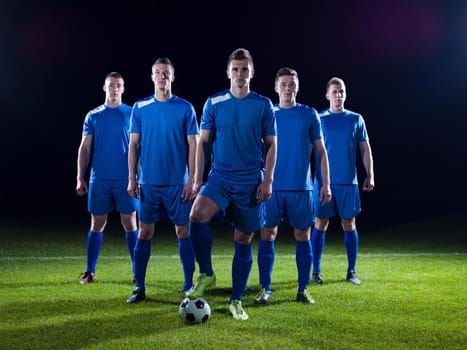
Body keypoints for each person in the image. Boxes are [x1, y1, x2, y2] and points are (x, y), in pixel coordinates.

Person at [186, 48, 277, 320]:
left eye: (244, 69)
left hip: (251, 180)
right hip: (220, 177)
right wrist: (196, 177)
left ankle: (236, 300)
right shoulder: (214, 103)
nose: (239, 74)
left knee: (243, 238)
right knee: (197, 215)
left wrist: (268, 179)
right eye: (235, 69)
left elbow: (272, 145)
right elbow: (202, 142)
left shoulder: (263, 105)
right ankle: (206, 273)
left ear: (252, 73)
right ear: (228, 72)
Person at [255, 67, 331, 305]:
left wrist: (325, 183)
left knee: (302, 235)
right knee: (267, 234)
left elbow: (320, 151)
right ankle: (265, 288)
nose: (288, 88)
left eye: (292, 84)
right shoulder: (268, 113)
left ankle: (302, 289)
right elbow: (257, 150)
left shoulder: (309, 114)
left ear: (297, 87)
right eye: (284, 84)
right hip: (272, 187)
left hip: (301, 187)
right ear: (276, 87)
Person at [125, 57, 199, 303]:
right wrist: (131, 178)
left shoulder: (185, 108)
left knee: (183, 231)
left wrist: (193, 179)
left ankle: (189, 285)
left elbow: (193, 145)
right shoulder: (140, 107)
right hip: (148, 182)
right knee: (144, 233)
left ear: (173, 77)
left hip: (178, 183)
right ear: (152, 76)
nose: (162, 76)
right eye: (157, 72)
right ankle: (140, 288)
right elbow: (133, 145)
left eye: (166, 72)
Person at [76, 72, 138, 284]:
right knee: (97, 223)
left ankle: (137, 272)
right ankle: (90, 271)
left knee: (130, 222)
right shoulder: (93, 115)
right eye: (111, 85)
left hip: (125, 179)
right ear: (104, 87)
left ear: (123, 88)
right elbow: (85, 147)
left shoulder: (131, 113)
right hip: (99, 178)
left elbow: (137, 147)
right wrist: (80, 177)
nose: (114, 89)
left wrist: (137, 176)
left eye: (118, 85)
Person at [311, 77, 375, 285]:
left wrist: (370, 174)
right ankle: (316, 271)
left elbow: (365, 148)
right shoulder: (319, 119)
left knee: (349, 223)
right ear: (327, 95)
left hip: (349, 181)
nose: (339, 95)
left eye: (342, 91)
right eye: (335, 92)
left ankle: (351, 271)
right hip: (323, 182)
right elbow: (309, 150)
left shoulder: (356, 119)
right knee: (320, 223)